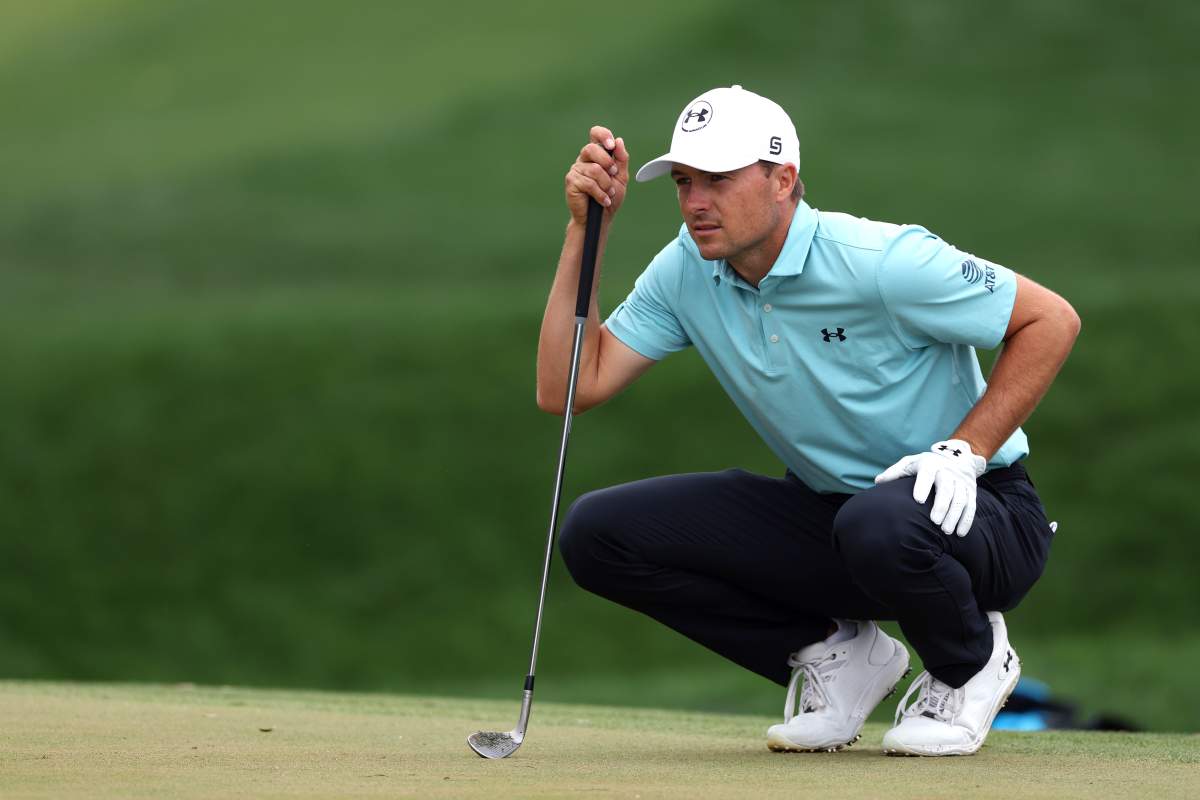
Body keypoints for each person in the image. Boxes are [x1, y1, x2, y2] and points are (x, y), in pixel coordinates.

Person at [536, 85, 1079, 756]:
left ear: (782, 179)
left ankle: (970, 662)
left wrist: (966, 450)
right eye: (683, 181)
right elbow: (569, 385)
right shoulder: (686, 270)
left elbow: (1050, 319)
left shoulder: (883, 261)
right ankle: (836, 654)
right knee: (599, 534)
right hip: (836, 520)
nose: (696, 201)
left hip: (978, 516)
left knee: (879, 521)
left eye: (718, 179)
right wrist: (586, 232)